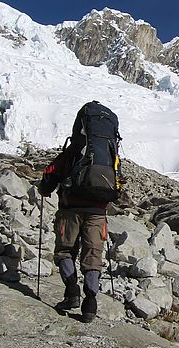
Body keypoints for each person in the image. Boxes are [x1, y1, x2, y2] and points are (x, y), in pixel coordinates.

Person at [38, 101, 122, 323]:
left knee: (65, 250)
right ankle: (90, 304)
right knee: (93, 255)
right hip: (98, 210)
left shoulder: (73, 150)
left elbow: (48, 179)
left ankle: (72, 292)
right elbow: (119, 182)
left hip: (71, 209)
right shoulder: (109, 151)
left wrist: (45, 186)